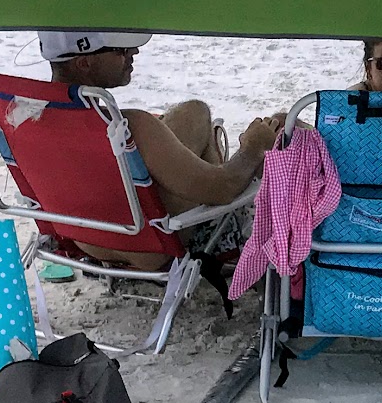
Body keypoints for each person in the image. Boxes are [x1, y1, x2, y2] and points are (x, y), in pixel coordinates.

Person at [38, 30, 285, 268]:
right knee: (283, 122)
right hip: (151, 247)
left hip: (91, 240)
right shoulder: (132, 126)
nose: (134, 51)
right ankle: (223, 225)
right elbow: (223, 189)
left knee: (195, 111)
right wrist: (252, 147)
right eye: (121, 50)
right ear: (85, 63)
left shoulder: (27, 119)